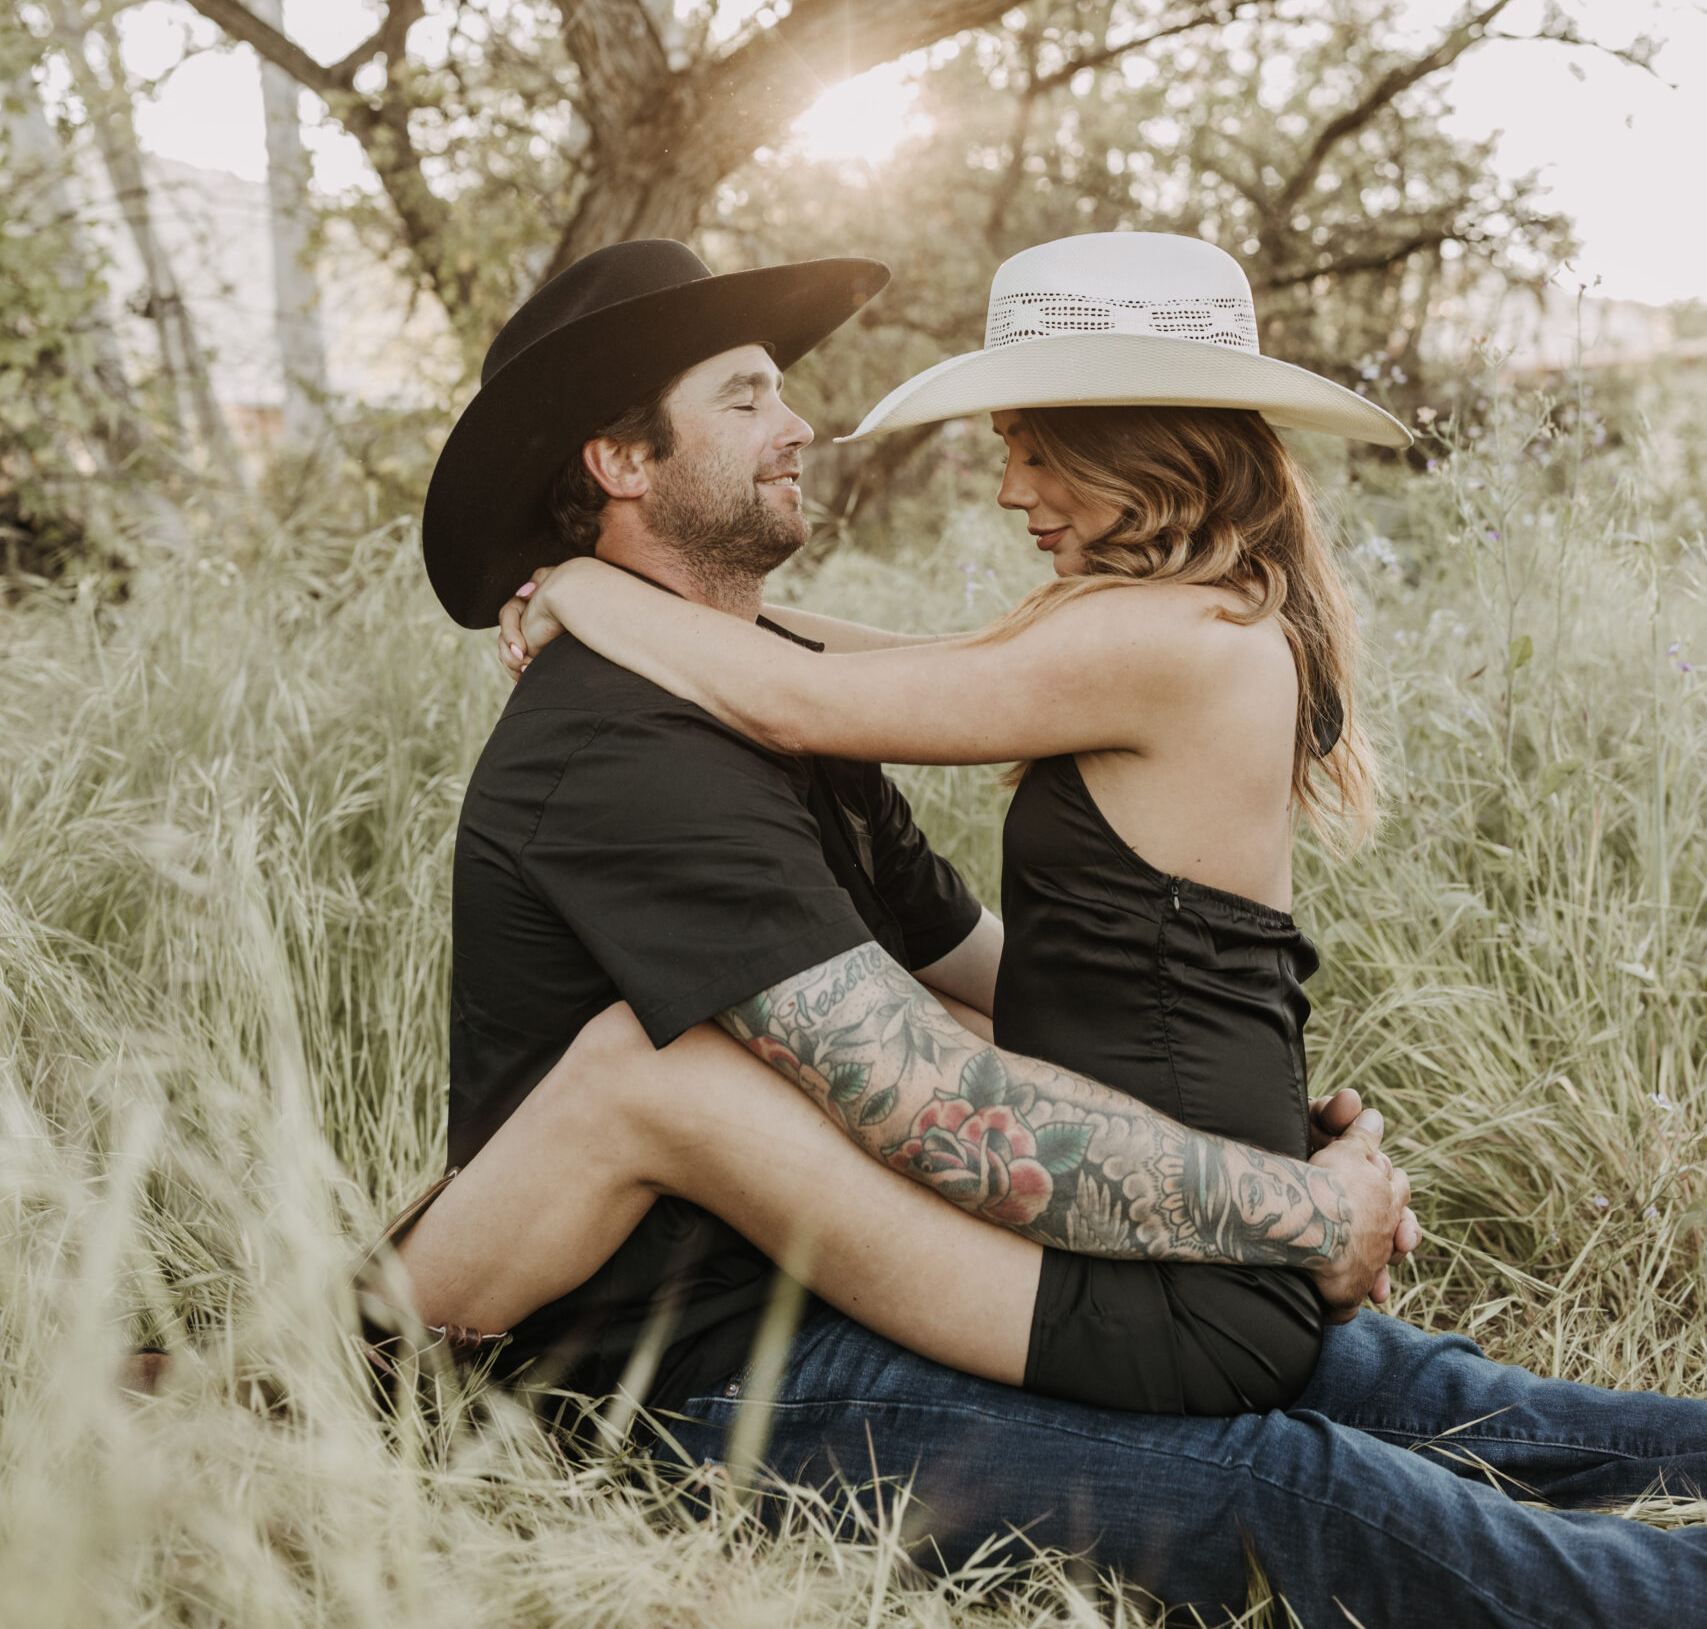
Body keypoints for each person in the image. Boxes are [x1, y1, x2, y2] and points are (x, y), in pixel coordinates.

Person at [392, 232, 1707, 1625]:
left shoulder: (780, 704)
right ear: (622, 461)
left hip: (855, 1271)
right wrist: (1287, 1203)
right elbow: (929, 1090)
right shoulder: (618, 751)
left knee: (1398, 1387)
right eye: (747, 396)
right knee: (1288, 1486)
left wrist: (1213, 1137)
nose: (802, 424)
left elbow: (984, 971)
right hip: (709, 1374)